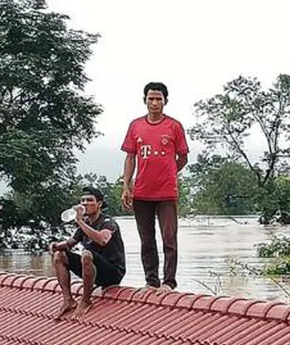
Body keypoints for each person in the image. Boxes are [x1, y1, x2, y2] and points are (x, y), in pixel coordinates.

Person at [120, 81, 189, 293]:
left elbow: (183, 157)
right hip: (142, 192)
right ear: (145, 100)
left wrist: (170, 172)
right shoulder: (136, 126)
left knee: (169, 238)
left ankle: (169, 282)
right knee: (146, 239)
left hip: (166, 193)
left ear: (165, 101)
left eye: (159, 99)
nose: (155, 103)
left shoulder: (174, 126)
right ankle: (151, 281)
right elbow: (130, 157)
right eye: (151, 98)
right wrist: (126, 186)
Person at [49, 187, 126, 318]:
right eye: (83, 200)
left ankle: (86, 301)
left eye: (89, 200)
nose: (85, 203)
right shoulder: (85, 224)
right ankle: (68, 300)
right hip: (92, 267)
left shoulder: (108, 222)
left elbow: (103, 240)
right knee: (59, 255)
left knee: (86, 254)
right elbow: (70, 243)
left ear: (99, 204)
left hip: (112, 271)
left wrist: (80, 222)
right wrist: (55, 246)